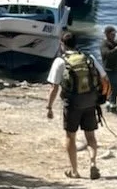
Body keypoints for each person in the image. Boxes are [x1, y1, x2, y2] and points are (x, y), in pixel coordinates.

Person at [45, 26, 107, 179]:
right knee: (90, 136)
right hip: (90, 101)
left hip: (72, 104)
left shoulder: (60, 61)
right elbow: (104, 77)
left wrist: (49, 107)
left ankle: (75, 171)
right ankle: (93, 163)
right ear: (76, 43)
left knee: (70, 137)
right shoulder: (88, 58)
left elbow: (54, 87)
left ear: (62, 44)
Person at [100, 25, 117, 114]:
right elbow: (108, 55)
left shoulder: (115, 42)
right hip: (108, 69)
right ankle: (110, 105)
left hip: (116, 69)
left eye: (114, 34)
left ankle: (112, 105)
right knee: (111, 88)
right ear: (107, 34)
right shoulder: (104, 44)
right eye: (112, 34)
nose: (114, 36)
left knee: (115, 88)